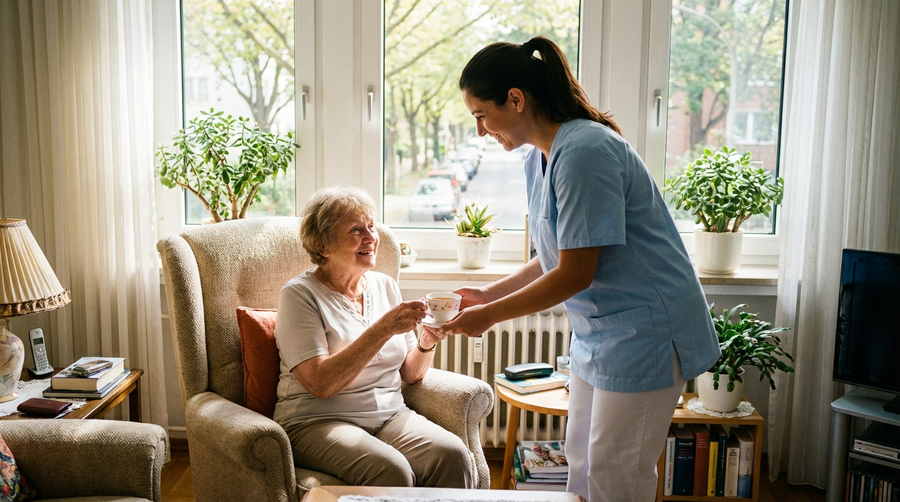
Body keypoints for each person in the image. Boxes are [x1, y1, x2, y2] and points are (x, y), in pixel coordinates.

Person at [441, 36, 721, 501]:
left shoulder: (586, 151)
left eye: (480, 116)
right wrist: (487, 295)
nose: (480, 131)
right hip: (600, 336)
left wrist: (490, 318)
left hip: (645, 334)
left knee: (617, 474)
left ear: (515, 99)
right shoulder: (539, 156)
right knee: (583, 463)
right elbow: (554, 253)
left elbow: (574, 274)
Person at [273, 185, 472, 488]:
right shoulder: (299, 295)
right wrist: (383, 328)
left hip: (388, 415)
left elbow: (410, 372)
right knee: (391, 471)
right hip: (315, 422)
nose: (371, 237)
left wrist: (427, 341)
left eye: (371, 226)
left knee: (453, 454)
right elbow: (320, 384)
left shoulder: (384, 285)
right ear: (322, 245)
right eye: (356, 230)